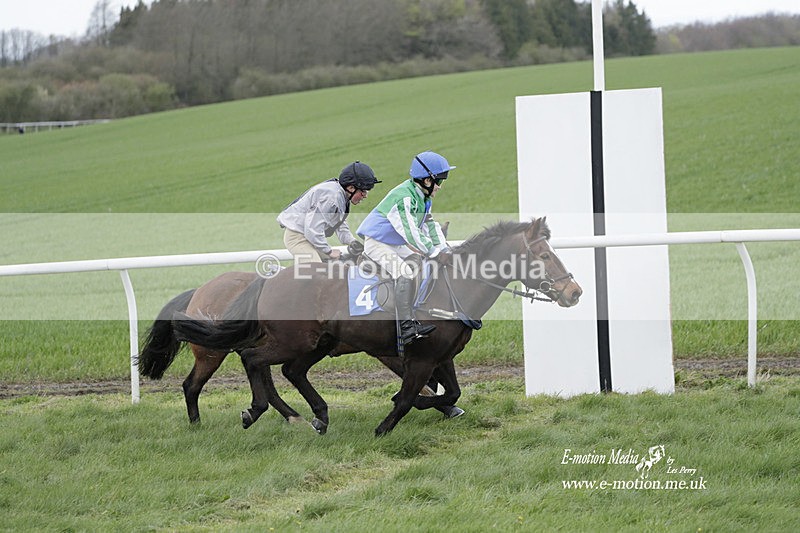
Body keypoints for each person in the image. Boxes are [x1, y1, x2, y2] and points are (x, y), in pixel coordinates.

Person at [357, 150, 455, 346]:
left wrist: (444, 250)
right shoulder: (405, 197)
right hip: (377, 242)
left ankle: (418, 312)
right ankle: (406, 327)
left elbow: (429, 225)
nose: (440, 187)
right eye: (440, 181)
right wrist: (434, 252)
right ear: (427, 180)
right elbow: (411, 233)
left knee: (422, 265)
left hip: (394, 243)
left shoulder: (423, 198)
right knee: (405, 273)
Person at [277, 161, 380, 263]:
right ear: (351, 187)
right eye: (363, 191)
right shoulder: (331, 198)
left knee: (338, 266)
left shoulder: (342, 196)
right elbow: (312, 229)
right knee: (318, 272)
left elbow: (340, 225)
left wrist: (351, 241)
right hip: (298, 237)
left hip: (309, 237)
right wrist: (329, 251)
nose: (365, 195)